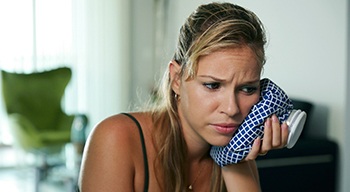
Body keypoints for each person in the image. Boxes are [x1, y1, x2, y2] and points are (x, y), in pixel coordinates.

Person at [78, 2, 289, 192]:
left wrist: (234, 160)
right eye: (213, 85)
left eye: (247, 89)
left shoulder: (237, 154)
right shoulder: (116, 139)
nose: (232, 108)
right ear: (177, 79)